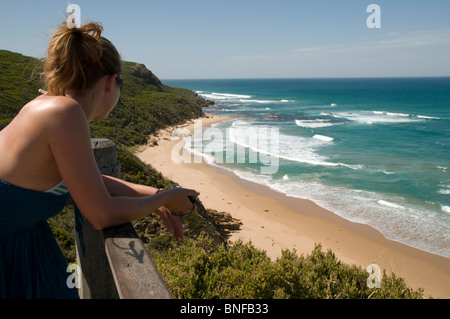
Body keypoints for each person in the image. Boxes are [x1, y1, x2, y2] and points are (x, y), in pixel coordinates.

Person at [0, 21, 199, 299]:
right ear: (110, 82)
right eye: (122, 84)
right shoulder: (65, 112)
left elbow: (84, 180)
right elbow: (101, 214)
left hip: (20, 245)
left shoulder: (47, 106)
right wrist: (164, 199)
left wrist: (156, 195)